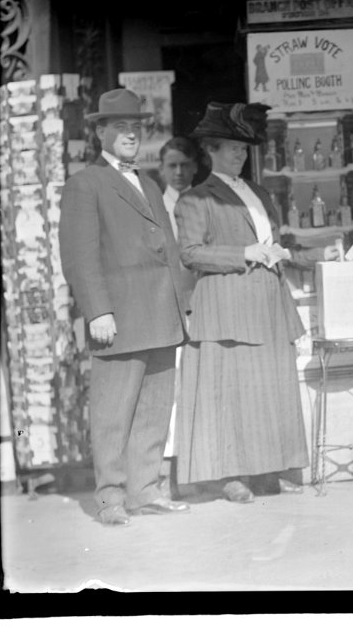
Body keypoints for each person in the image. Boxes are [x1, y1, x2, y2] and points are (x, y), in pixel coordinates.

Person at [174, 102, 337, 504]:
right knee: (230, 395)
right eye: (231, 147)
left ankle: (267, 468)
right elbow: (191, 253)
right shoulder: (196, 199)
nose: (240, 154)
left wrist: (319, 254)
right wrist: (244, 252)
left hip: (267, 303)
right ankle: (229, 475)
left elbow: (277, 245)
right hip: (227, 306)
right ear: (210, 150)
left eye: (244, 149)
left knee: (269, 391)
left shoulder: (260, 193)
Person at [59, 88, 190, 526]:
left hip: (160, 313)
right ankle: (111, 497)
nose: (131, 133)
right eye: (121, 126)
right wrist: (97, 310)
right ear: (100, 131)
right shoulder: (85, 184)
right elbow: (78, 255)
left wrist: (181, 304)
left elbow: (169, 249)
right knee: (113, 413)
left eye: (136, 126)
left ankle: (145, 490)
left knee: (155, 408)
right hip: (118, 316)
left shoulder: (149, 182)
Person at [156, 136, 200, 470]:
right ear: (161, 170)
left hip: (203, 302)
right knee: (172, 387)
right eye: (172, 165)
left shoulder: (203, 203)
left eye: (185, 165)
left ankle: (202, 463)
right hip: (172, 306)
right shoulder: (155, 208)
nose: (179, 172)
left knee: (202, 384)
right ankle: (171, 468)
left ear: (196, 167)